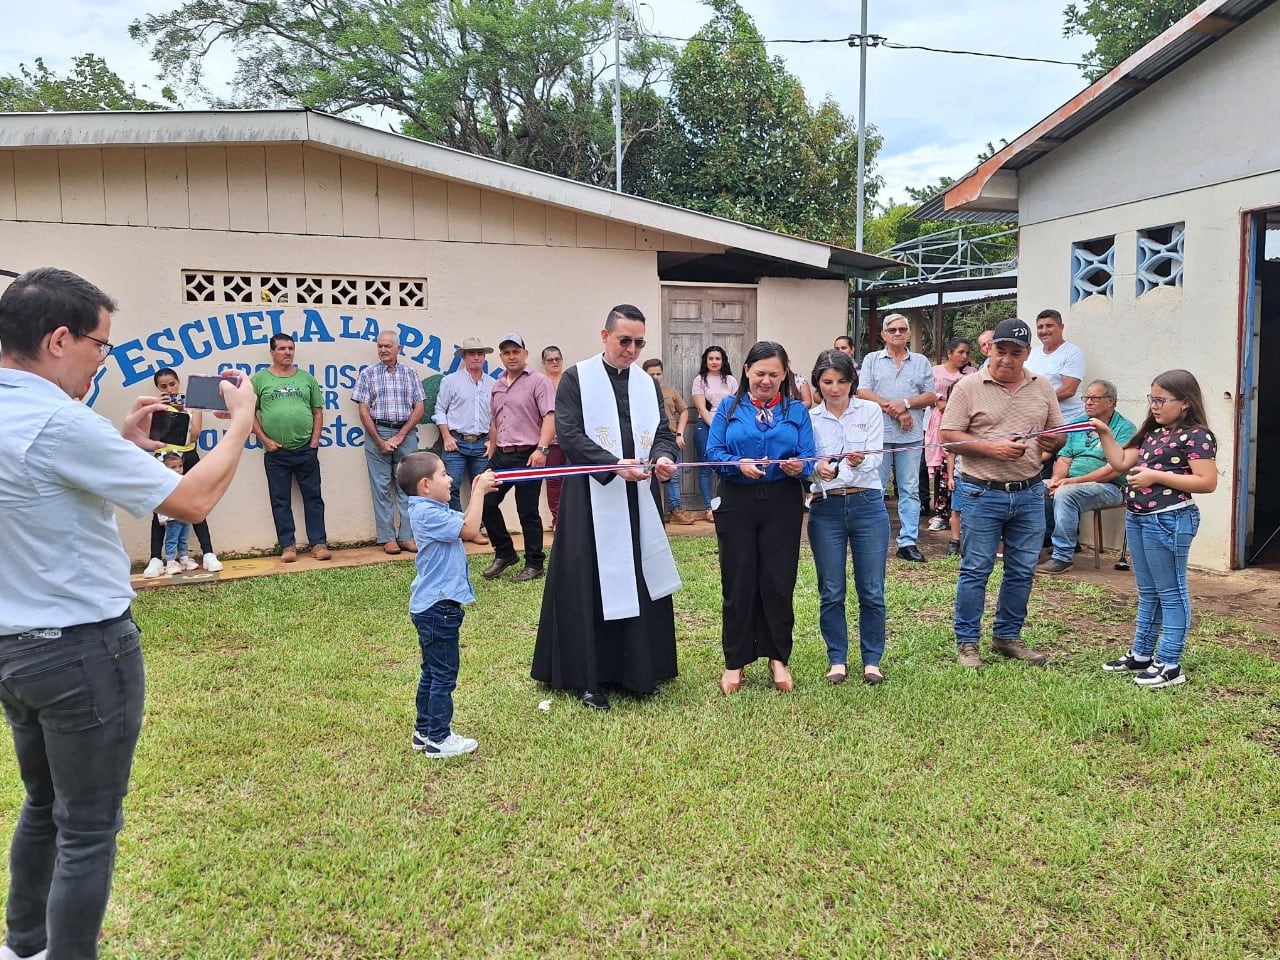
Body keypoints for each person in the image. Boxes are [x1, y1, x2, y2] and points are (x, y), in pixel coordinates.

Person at [0, 266, 256, 960]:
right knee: (87, 828)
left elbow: (47, 478)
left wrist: (120, 441)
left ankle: (23, 946)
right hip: (81, 651)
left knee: (42, 808)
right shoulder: (56, 421)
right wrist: (238, 423)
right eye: (99, 345)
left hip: (15, 650)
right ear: (58, 339)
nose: (102, 358)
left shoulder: (27, 415)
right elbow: (192, 501)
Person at [532, 305, 681, 711]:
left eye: (639, 343)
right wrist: (614, 466)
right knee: (591, 582)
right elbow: (570, 434)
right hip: (592, 497)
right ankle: (589, 677)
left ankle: (638, 670)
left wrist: (665, 459)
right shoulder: (577, 379)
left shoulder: (646, 384)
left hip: (640, 499)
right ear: (605, 336)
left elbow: (663, 434)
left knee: (639, 575)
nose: (631, 350)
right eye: (624, 341)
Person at [940, 317, 1065, 668]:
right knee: (976, 568)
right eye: (1001, 351)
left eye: (1016, 352)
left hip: (1028, 492)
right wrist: (991, 447)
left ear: (1027, 354)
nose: (1006, 359)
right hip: (982, 491)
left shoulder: (1042, 387)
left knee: (1022, 569)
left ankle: (1007, 636)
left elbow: (1059, 434)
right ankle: (967, 642)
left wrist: (1051, 441)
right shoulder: (968, 387)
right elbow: (948, 435)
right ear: (990, 349)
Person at [1094, 370, 1217, 688]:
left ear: (1185, 403)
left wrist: (1155, 477)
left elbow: (1207, 482)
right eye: (1152, 399)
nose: (1155, 406)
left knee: (1172, 593)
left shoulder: (1197, 436)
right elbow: (1120, 462)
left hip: (1170, 520)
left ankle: (1170, 664)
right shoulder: (1153, 433)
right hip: (1139, 518)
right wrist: (1104, 432)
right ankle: (1142, 654)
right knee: (1148, 592)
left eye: (1161, 400)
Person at [706, 341, 816, 694]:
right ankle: (734, 662)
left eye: (773, 374)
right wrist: (737, 464)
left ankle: (778, 658)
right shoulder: (728, 407)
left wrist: (801, 466)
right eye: (759, 373)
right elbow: (712, 452)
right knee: (737, 582)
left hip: (782, 501)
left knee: (778, 581)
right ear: (746, 372)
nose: (766, 380)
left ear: (784, 375)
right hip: (736, 501)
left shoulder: (796, 410)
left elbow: (810, 456)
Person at [397, 451, 498, 757]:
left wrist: (480, 488)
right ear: (425, 484)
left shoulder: (432, 507)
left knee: (431, 671)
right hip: (438, 607)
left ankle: (424, 731)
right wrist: (478, 491)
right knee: (443, 674)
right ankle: (439, 739)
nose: (451, 478)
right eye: (444, 474)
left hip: (432, 606)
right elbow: (470, 531)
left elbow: (468, 520)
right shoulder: (428, 513)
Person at [808, 349, 889, 685]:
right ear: (817, 383)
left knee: (871, 589)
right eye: (827, 381)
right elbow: (805, 465)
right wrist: (817, 469)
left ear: (852, 381)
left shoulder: (869, 410)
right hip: (825, 508)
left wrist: (857, 462)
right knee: (831, 589)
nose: (835, 388)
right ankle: (837, 660)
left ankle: (872, 661)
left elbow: (876, 457)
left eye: (841, 381)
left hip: (868, 504)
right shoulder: (808, 418)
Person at [856, 314, 936, 562]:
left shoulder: (921, 361)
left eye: (903, 329)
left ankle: (908, 541)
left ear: (909, 334)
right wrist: (894, 408)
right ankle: (873, 537)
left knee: (909, 489)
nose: (898, 333)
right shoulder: (872, 359)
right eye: (892, 330)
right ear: (884, 334)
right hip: (878, 434)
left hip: (910, 436)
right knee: (875, 487)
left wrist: (905, 403)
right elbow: (861, 391)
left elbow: (931, 395)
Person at [1037, 379, 1136, 574]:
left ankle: (1063, 557)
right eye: (1086, 398)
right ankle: (1033, 548)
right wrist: (1057, 480)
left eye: (1094, 398)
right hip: (1071, 482)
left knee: (1066, 494)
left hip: (1111, 487)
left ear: (1111, 401)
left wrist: (1071, 482)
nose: (1088, 402)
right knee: (1036, 488)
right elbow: (1064, 459)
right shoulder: (1078, 424)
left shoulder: (1125, 428)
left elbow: (1113, 469)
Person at [481, 333, 556, 583]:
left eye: (516, 351)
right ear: (501, 356)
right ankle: (505, 553)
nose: (511, 356)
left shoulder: (539, 381)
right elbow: (495, 420)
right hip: (502, 455)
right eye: (506, 352)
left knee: (527, 511)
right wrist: (492, 447)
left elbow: (550, 416)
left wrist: (542, 450)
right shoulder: (497, 384)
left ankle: (534, 564)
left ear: (525, 353)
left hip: (529, 455)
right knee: (485, 502)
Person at [251, 333, 330, 562]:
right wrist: (265, 440)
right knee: (280, 500)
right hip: (276, 453)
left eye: (290, 348)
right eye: (282, 348)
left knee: (313, 497)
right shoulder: (259, 380)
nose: (287, 352)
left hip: (306, 450)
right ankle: (288, 546)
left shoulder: (306, 379)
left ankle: (318, 543)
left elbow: (317, 412)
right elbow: (249, 413)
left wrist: (314, 442)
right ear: (272, 352)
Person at [141, 366, 223, 577]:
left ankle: (208, 553)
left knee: (196, 505)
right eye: (163, 386)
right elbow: (154, 437)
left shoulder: (191, 404)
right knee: (160, 509)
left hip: (188, 457)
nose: (169, 389)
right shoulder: (154, 407)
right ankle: (156, 558)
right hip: (162, 459)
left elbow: (194, 434)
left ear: (179, 383)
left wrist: (181, 411)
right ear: (158, 388)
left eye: (172, 384)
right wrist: (160, 408)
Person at [352, 330, 425, 555]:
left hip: (406, 432)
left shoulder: (410, 373)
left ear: (399, 349)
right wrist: (380, 440)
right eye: (380, 346)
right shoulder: (368, 374)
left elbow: (419, 407)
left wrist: (400, 435)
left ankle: (407, 536)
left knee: (408, 486)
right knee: (380, 486)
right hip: (377, 430)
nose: (383, 350)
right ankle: (387, 537)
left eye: (388, 346)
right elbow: (363, 410)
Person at [433, 337, 493, 530]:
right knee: (450, 487)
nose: (476, 358)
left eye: (479, 354)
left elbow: (499, 416)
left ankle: (478, 528)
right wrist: (447, 436)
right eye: (471, 354)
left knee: (483, 489)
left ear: (484, 357)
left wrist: (493, 440)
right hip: (456, 442)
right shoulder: (450, 381)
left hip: (482, 443)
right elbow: (440, 411)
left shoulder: (493, 384)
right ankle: (458, 528)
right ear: (464, 357)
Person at [925, 337, 974, 538]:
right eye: (960, 352)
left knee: (958, 470)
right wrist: (940, 402)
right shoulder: (935, 372)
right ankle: (940, 513)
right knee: (941, 470)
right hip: (940, 424)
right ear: (949, 353)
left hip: (964, 425)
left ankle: (960, 515)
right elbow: (929, 394)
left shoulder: (971, 374)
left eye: (967, 353)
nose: (964, 357)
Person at [643, 358, 694, 524]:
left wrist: (680, 433)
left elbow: (684, 411)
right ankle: (651, 513)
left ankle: (675, 510)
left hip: (669, 439)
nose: (656, 377)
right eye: (651, 374)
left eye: (658, 374)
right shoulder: (639, 392)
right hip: (646, 441)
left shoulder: (670, 391)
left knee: (673, 474)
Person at [691, 345, 737, 523]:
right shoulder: (700, 380)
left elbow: (736, 404)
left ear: (723, 360)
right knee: (706, 468)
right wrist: (716, 426)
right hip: (706, 426)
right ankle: (709, 507)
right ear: (706, 361)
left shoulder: (731, 380)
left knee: (725, 466)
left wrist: (726, 426)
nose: (714, 362)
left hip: (728, 426)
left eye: (718, 358)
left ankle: (724, 504)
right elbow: (701, 408)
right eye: (711, 358)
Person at [1027, 308, 1086, 424]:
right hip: (1039, 418)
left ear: (1061, 327)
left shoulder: (1072, 352)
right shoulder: (1032, 353)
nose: (1044, 330)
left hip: (1069, 419)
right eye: (1040, 327)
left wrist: (1036, 400)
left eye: (1049, 326)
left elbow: (1068, 390)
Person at [156, 452, 199, 575]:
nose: (178, 470)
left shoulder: (183, 481)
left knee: (183, 539)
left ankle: (184, 558)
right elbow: (161, 501)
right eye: (173, 467)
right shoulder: (164, 483)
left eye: (180, 466)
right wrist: (162, 517)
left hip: (184, 516)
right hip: (172, 518)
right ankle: (170, 561)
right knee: (172, 540)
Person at [541, 345, 567, 528]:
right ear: (544, 363)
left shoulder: (570, 381)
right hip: (551, 442)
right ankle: (558, 520)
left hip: (571, 439)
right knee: (553, 480)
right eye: (550, 359)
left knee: (573, 479)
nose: (555, 362)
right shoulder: (541, 383)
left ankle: (572, 518)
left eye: (557, 358)